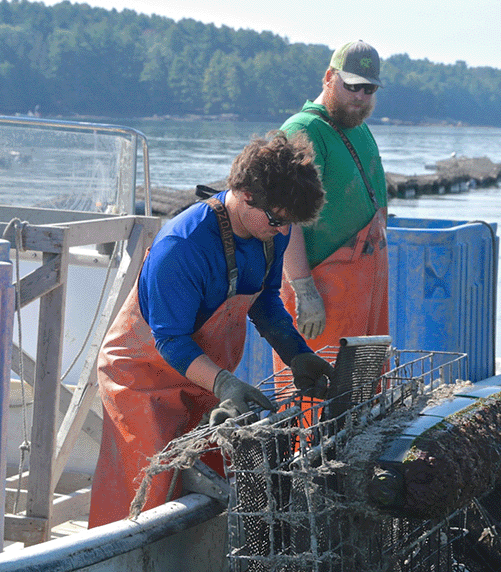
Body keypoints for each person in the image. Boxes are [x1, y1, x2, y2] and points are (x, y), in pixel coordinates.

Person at [87, 132, 333, 527]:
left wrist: (297, 353)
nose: (283, 229)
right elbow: (170, 339)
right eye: (278, 220)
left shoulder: (272, 231)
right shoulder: (182, 246)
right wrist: (224, 384)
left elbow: (266, 302)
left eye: (289, 223)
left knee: (212, 477)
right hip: (141, 378)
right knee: (146, 494)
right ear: (246, 195)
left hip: (205, 379)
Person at [278, 39, 389, 357]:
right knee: (319, 394)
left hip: (366, 283)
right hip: (325, 289)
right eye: (352, 85)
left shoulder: (359, 127)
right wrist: (303, 288)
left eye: (369, 89)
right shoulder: (303, 129)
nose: (360, 96)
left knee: (365, 390)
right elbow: (285, 218)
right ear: (329, 77)